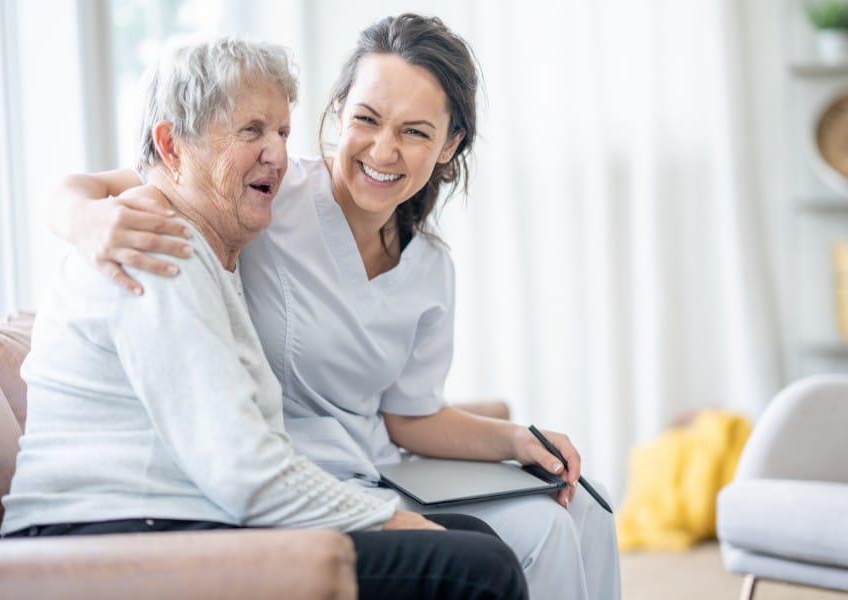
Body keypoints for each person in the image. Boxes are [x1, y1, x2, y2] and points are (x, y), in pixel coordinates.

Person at [49, 15, 620, 599]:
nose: (384, 149)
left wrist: (516, 440)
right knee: (532, 537)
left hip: (374, 469)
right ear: (340, 113)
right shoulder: (261, 196)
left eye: (416, 132)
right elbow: (149, 178)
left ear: (450, 145)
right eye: (366, 119)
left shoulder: (427, 265)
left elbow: (408, 415)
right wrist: (81, 217)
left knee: (587, 511)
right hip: (289, 478)